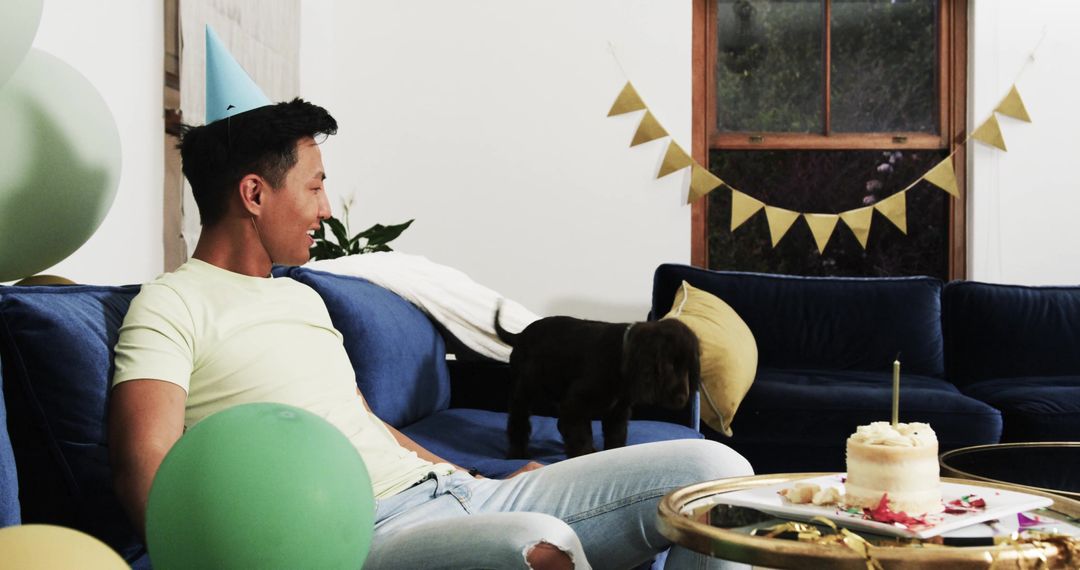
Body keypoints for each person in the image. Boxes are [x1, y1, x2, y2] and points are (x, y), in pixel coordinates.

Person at [108, 30, 753, 570]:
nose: (326, 210)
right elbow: (151, 476)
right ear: (254, 195)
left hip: (453, 495)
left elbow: (366, 426)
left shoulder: (301, 299)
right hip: (363, 532)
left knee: (714, 473)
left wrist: (477, 476)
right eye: (314, 187)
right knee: (544, 548)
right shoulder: (172, 305)